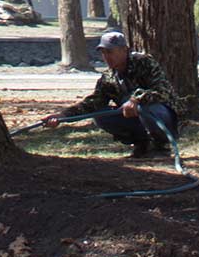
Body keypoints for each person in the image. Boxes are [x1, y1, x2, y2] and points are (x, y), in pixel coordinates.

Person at [37, 29, 184, 163]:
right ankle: (142, 145)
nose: (106, 57)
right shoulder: (108, 77)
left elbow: (163, 91)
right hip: (134, 118)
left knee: (149, 108)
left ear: (124, 50)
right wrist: (62, 116)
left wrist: (137, 100)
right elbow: (93, 102)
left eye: (110, 52)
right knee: (100, 114)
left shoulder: (144, 62)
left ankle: (160, 147)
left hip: (163, 116)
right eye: (103, 53)